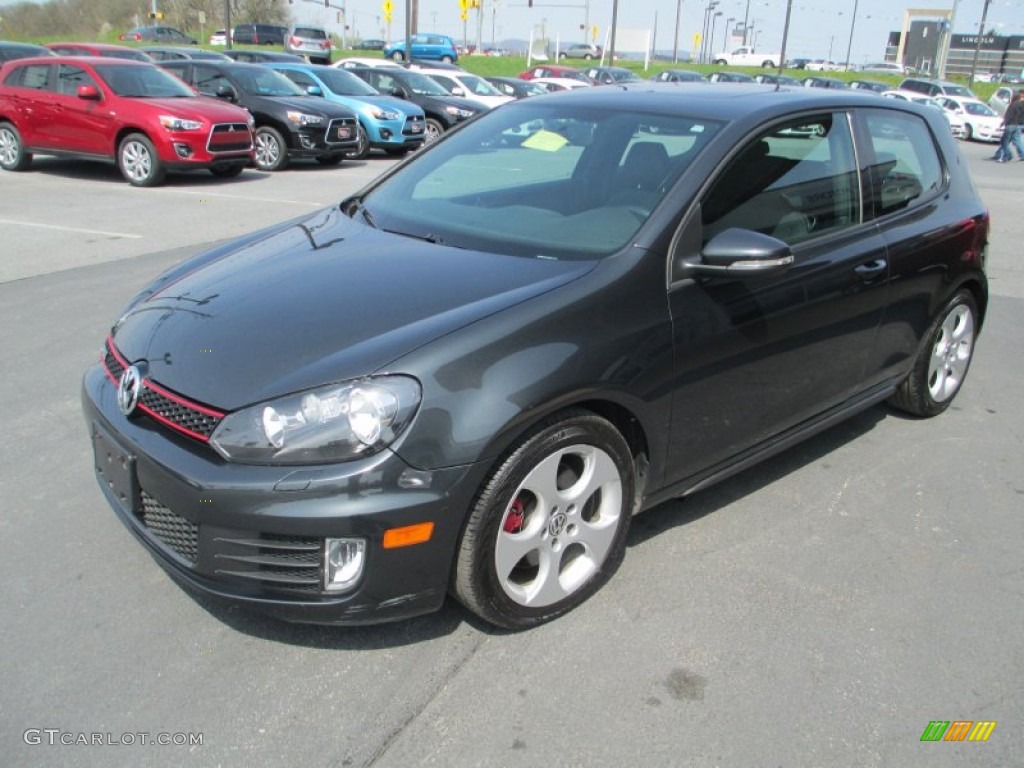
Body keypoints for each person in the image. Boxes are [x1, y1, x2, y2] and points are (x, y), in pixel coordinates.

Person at [994, 89, 1024, 162]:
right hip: (1016, 125)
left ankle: (1008, 155)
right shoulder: (1020, 105)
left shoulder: (1013, 105)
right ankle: (999, 154)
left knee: (1004, 141)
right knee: (1017, 141)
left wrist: (1003, 123)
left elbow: (1009, 115)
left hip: (1010, 125)